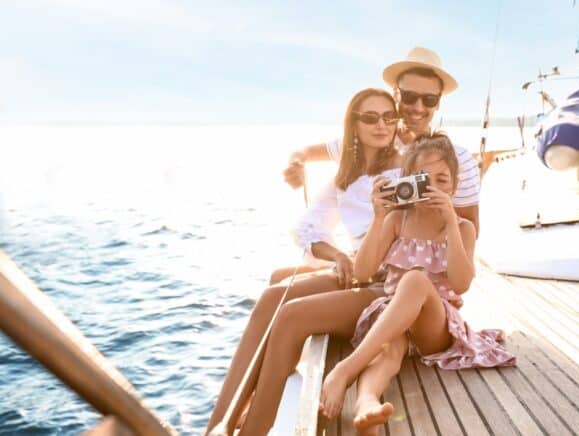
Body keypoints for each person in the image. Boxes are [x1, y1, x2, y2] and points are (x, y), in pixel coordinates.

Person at [204, 87, 402, 434]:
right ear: (353, 125)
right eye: (370, 117)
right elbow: (308, 227)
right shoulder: (348, 174)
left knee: (289, 313)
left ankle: (253, 428)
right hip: (357, 270)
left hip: (388, 283)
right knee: (271, 296)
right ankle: (219, 422)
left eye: (389, 117)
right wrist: (336, 254)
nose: (382, 125)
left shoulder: (403, 169)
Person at [318, 134, 516, 433]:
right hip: (395, 315)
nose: (433, 189)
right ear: (407, 182)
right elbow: (363, 271)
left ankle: (345, 370)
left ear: (455, 184)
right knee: (388, 353)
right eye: (424, 180)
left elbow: (461, 285)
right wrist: (379, 216)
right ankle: (366, 403)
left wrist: (450, 222)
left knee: (415, 280)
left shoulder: (462, 228)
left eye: (442, 181)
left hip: (436, 324)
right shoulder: (397, 220)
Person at [284, 47, 481, 235]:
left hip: (421, 261)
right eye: (410, 97)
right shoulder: (370, 140)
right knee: (281, 273)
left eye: (429, 99)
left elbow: (470, 229)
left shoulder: (459, 158)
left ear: (438, 102)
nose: (418, 108)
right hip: (368, 254)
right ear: (396, 94)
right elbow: (305, 152)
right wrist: (296, 164)